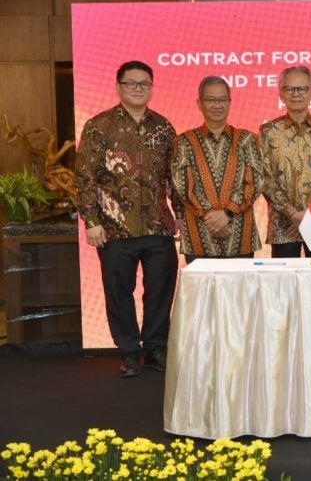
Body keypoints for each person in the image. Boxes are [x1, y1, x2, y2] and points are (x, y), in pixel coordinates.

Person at [75, 60, 179, 378]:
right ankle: (130, 351)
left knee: (160, 289)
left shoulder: (163, 127)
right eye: (131, 83)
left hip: (158, 225)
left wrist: (184, 221)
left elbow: (174, 179)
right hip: (113, 228)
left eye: (144, 83)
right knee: (119, 292)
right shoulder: (98, 126)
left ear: (151, 87)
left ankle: (156, 347)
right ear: (118, 86)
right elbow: (85, 177)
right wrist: (91, 220)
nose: (138, 89)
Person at [171, 76, 265, 263]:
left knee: (242, 293)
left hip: (240, 235)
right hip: (199, 237)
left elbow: (255, 182)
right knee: (202, 293)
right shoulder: (184, 141)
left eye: (222, 99)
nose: (217, 105)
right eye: (211, 100)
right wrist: (212, 218)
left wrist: (227, 213)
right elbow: (183, 185)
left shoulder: (247, 139)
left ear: (229, 102)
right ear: (199, 103)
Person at [260, 66, 311, 257]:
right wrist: (293, 214)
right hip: (284, 225)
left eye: (302, 89)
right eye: (289, 89)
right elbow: (264, 178)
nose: (296, 94)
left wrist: (309, 217)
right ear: (281, 93)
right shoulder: (268, 131)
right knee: (284, 284)